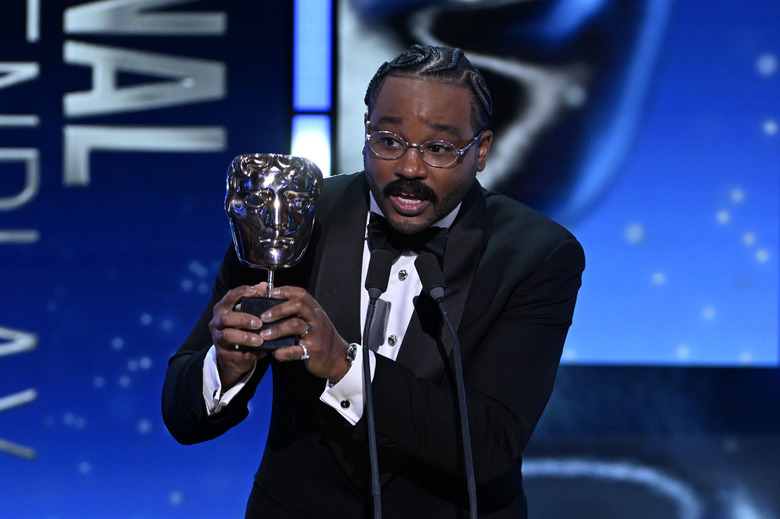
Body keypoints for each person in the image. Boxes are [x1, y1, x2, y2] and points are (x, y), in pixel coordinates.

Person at [162, 44, 585, 518]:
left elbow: (488, 445)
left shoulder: (535, 254)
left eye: (440, 149)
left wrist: (344, 365)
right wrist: (225, 366)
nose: (409, 168)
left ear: (480, 150)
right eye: (389, 140)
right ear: (365, 134)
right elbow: (183, 417)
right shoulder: (295, 216)